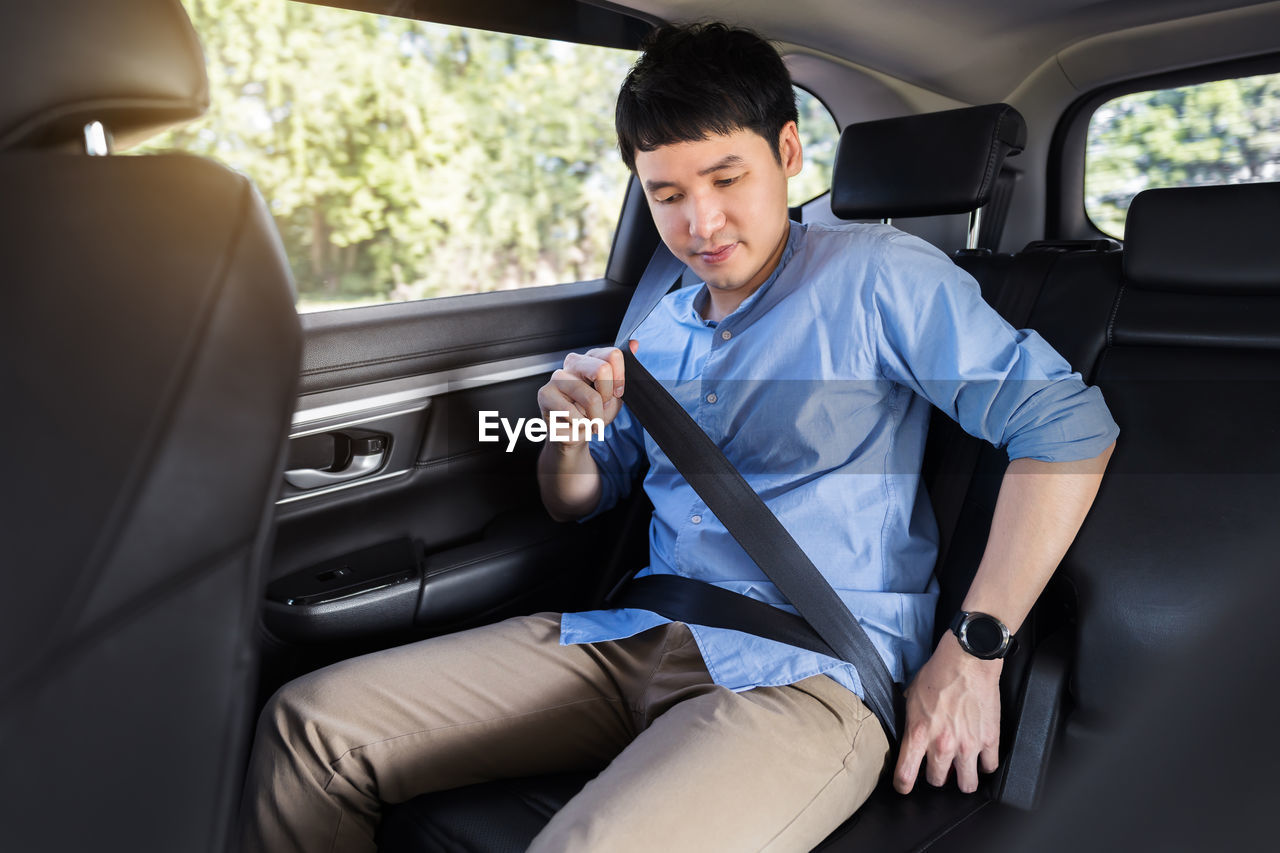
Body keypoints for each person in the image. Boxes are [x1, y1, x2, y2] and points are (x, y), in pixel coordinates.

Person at [240, 22, 1118, 853]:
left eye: (726, 178)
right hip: (630, 632)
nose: (700, 223)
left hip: (805, 674)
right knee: (309, 728)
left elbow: (1066, 426)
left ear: (786, 154)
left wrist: (974, 650)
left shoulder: (876, 276)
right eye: (667, 193)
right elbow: (582, 497)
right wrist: (570, 437)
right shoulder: (656, 330)